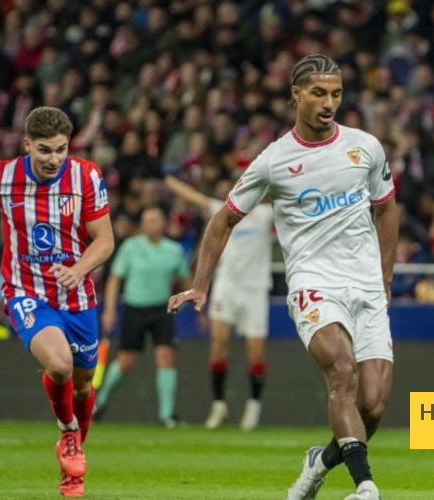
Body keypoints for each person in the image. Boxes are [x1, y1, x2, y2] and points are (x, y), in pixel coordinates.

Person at [168, 54, 398, 500]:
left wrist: (385, 276)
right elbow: (222, 222)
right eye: (318, 93)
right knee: (342, 372)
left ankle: (319, 462)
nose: (329, 102)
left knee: (373, 404)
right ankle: (366, 486)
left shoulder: (365, 147)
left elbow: (386, 208)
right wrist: (201, 284)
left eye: (336, 93)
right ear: (296, 95)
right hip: (314, 283)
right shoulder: (274, 161)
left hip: (367, 285)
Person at [0, 106, 114, 498]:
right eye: (45, 150)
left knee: (83, 387)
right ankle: (67, 434)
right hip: (26, 291)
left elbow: (105, 240)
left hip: (76, 294)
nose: (54, 159)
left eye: (61, 149)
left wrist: (79, 269)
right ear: (27, 144)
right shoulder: (3, 175)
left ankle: (72, 462)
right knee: (60, 365)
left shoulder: (86, 176)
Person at [164, 175, 274, 430]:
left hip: (256, 289)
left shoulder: (265, 213)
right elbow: (195, 198)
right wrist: (168, 179)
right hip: (226, 286)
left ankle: (253, 406)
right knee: (218, 346)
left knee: (255, 352)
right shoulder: (224, 210)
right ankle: (219, 404)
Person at [94, 206, 191, 428]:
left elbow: (186, 280)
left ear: (163, 223)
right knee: (126, 361)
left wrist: (187, 300)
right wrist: (109, 310)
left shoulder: (173, 250)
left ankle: (167, 415)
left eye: (155, 220)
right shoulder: (130, 247)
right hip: (134, 309)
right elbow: (115, 279)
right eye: (146, 220)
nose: (150, 224)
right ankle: (100, 403)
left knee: (165, 357)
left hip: (162, 310)